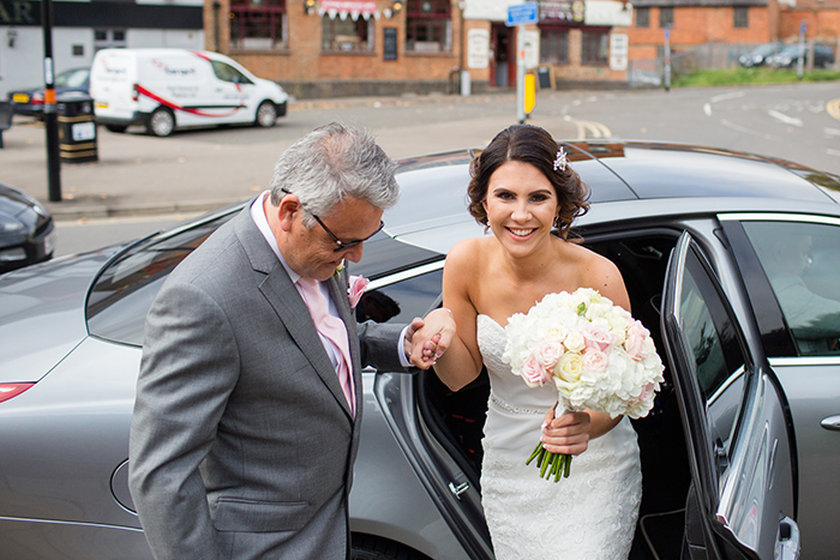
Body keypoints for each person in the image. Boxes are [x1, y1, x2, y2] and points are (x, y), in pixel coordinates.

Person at [129, 122, 451, 560]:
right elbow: (162, 475)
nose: (355, 256)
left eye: (364, 239)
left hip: (324, 528)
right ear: (291, 211)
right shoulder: (202, 299)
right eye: (345, 242)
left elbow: (310, 344)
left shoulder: (315, 244)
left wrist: (399, 344)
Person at [414, 124, 642, 559]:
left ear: (559, 204)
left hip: (593, 468)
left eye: (537, 197)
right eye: (505, 196)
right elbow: (461, 377)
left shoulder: (598, 276)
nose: (521, 215)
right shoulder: (465, 262)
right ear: (484, 201)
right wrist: (438, 340)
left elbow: (624, 390)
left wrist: (588, 424)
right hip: (510, 464)